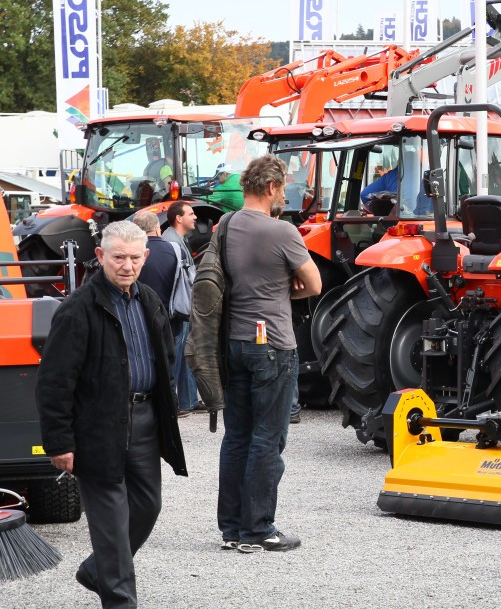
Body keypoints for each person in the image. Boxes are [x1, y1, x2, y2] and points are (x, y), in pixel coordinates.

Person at [36, 221, 186, 608]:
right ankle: (120, 601)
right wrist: (59, 442)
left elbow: (166, 357)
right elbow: (54, 382)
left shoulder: (149, 299)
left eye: (135, 258)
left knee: (148, 506)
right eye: (118, 257)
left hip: (145, 421)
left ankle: (95, 571)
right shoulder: (77, 310)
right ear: (101, 256)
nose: (127, 265)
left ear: (145, 257)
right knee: (112, 529)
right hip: (98, 430)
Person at [218, 155, 321, 553]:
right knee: (267, 439)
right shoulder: (282, 231)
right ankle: (259, 530)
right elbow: (312, 285)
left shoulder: (226, 225)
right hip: (273, 345)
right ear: (273, 188)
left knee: (237, 437)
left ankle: (232, 529)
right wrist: (283, 288)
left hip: (235, 342)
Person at [162, 201, 200, 415]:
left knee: (186, 352)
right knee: (177, 354)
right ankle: (175, 402)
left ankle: (188, 401)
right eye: (191, 213)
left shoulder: (177, 239)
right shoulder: (171, 242)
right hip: (178, 309)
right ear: (179, 218)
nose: (195, 217)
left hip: (181, 307)